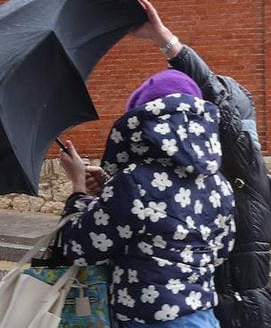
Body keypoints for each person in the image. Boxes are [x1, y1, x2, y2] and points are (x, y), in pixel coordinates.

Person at [126, 0, 271, 328]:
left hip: (240, 312)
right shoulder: (199, 176)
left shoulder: (244, 171)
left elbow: (218, 101)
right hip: (214, 309)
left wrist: (166, 41)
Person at [58, 69, 235, 327]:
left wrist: (77, 186)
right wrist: (109, 188)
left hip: (147, 319)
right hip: (202, 317)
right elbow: (220, 252)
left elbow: (79, 248)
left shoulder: (134, 181)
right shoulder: (218, 183)